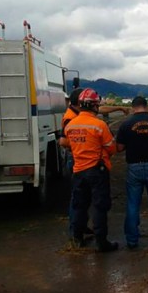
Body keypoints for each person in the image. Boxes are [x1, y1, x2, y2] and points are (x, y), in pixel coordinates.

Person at [60, 88, 119, 252]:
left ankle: (77, 238)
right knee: (100, 206)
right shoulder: (99, 125)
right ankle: (101, 242)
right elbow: (112, 148)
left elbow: (67, 144)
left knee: (79, 205)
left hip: (78, 170)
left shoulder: (70, 124)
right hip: (97, 170)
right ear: (94, 106)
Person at [116, 96, 148, 248]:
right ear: (147, 106)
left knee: (133, 204)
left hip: (134, 167)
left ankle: (132, 241)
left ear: (133, 107)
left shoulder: (126, 124)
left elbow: (119, 148)